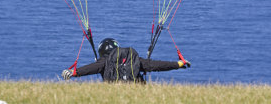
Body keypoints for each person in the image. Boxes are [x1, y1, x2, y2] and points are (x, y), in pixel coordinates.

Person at [62, 38, 190, 82]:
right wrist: (178, 64)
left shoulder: (105, 61)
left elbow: (90, 69)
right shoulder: (133, 58)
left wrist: (74, 72)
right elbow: (156, 65)